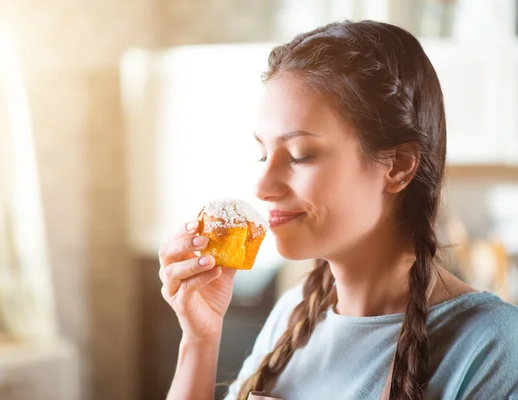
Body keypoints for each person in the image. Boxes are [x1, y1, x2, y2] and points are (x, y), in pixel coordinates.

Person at [157, 20, 518, 400]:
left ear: (397, 166)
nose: (261, 187)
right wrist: (199, 340)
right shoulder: (292, 316)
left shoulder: (493, 346)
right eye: (263, 155)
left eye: (300, 156)